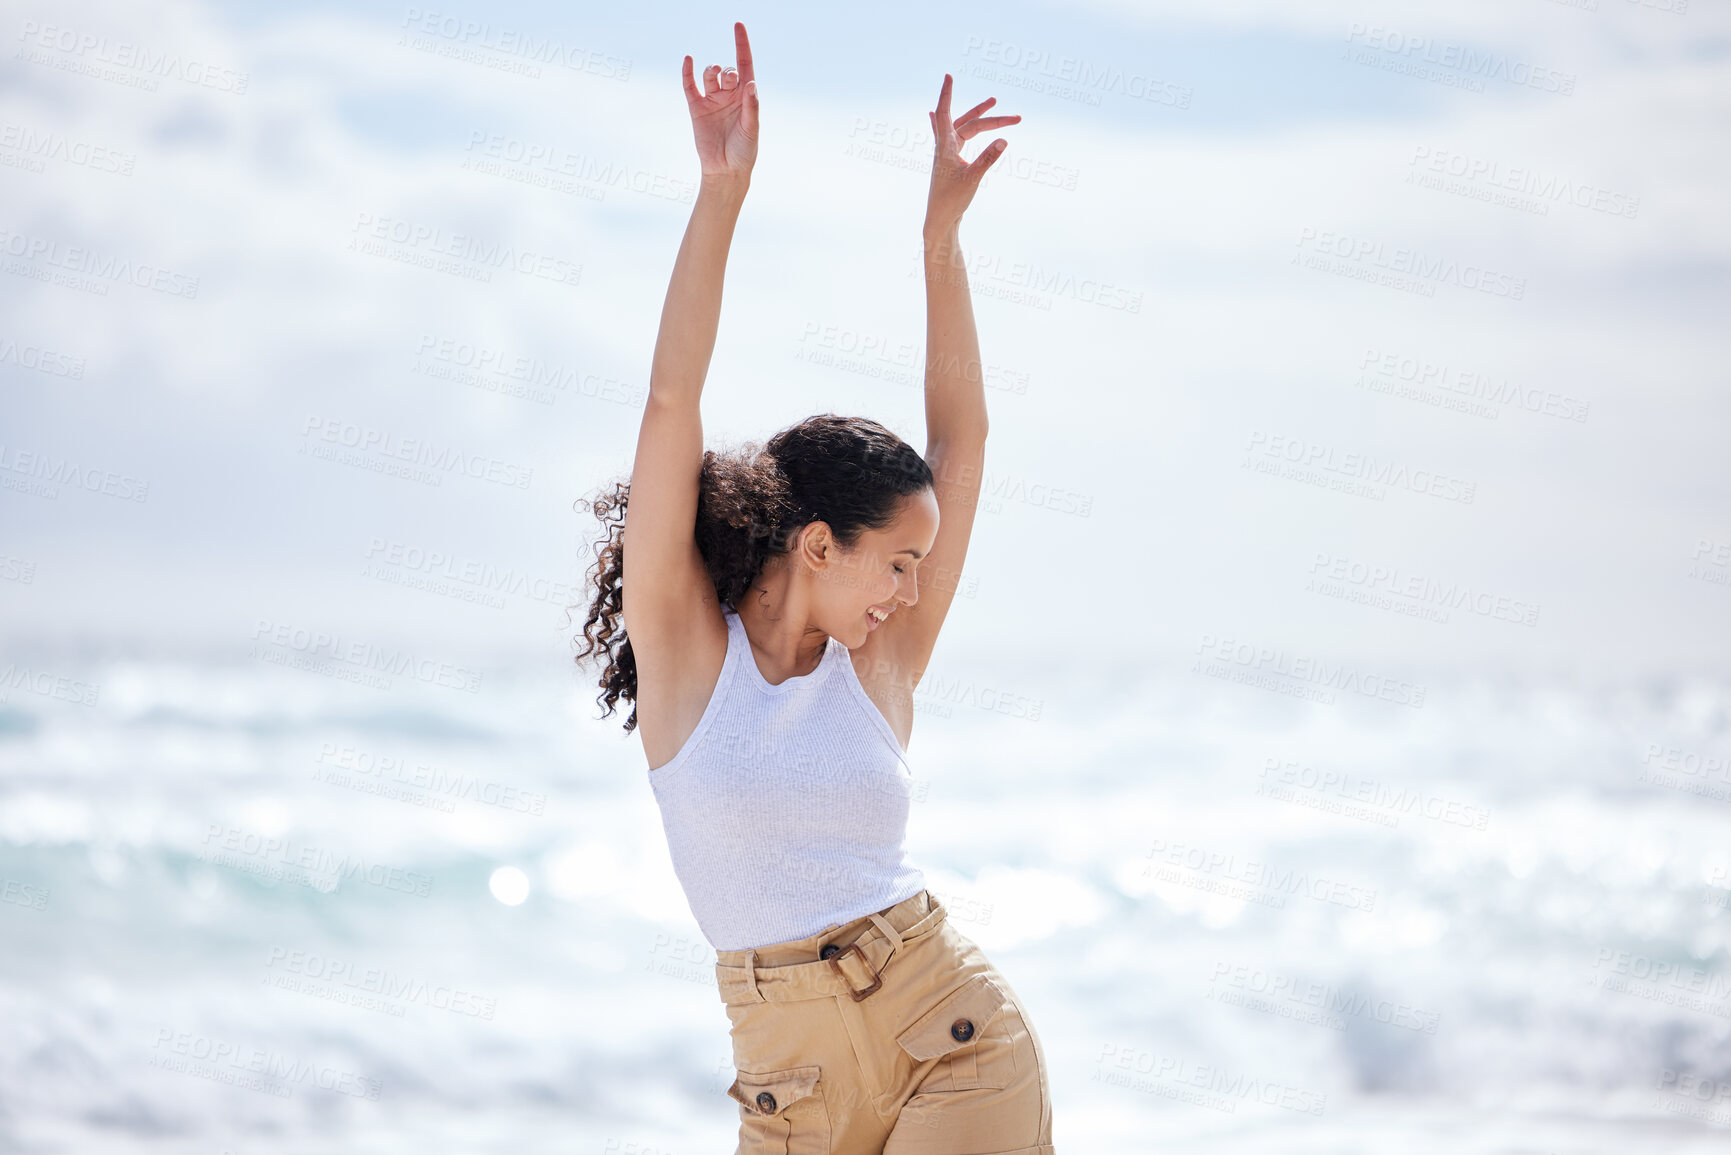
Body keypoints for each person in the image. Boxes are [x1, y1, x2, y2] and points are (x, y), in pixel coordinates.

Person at [573, 22, 1054, 1155]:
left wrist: (940, 240)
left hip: (952, 1032)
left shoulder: (879, 664)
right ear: (820, 543)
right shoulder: (689, 655)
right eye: (899, 562)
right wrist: (721, 194)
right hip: (789, 1080)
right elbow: (668, 408)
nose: (910, 593)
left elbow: (964, 432)